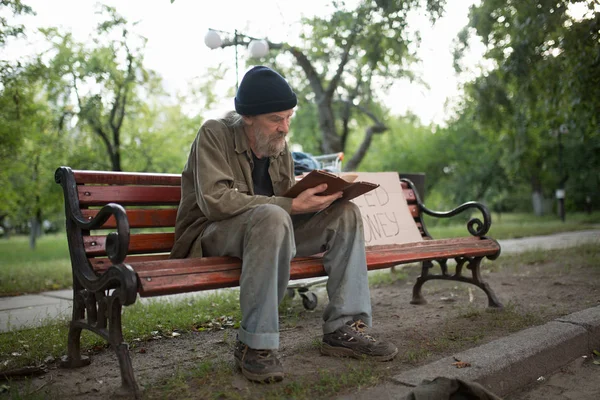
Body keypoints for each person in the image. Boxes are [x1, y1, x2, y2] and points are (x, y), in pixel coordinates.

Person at [171, 65, 398, 383]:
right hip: (211, 233)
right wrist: (290, 205)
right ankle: (254, 345)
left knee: (345, 214)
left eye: (289, 117)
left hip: (269, 230)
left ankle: (342, 329)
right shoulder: (214, 133)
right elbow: (215, 202)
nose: (285, 128)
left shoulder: (277, 145)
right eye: (276, 119)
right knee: (273, 215)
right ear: (248, 116)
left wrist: (321, 200)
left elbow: (286, 201)